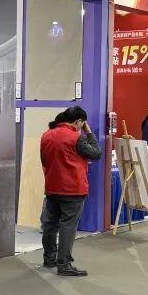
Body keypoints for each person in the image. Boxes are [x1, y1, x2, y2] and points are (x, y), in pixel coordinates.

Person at [40, 106, 102, 277]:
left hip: (52, 186)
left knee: (50, 224)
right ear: (79, 121)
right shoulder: (76, 138)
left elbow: (44, 160)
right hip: (72, 188)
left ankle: (49, 258)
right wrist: (89, 133)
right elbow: (96, 153)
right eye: (83, 123)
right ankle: (64, 264)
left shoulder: (47, 135)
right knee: (68, 226)